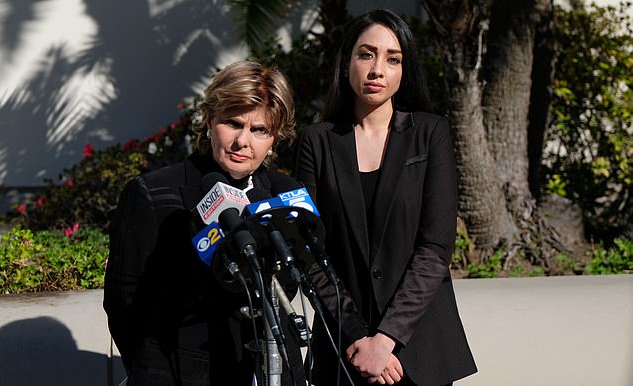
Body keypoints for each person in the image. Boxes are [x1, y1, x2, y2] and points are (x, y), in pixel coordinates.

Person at [295, 9, 477, 386]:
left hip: (420, 349)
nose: (378, 69)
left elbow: (435, 248)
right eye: (366, 54)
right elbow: (311, 251)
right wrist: (361, 337)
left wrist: (387, 338)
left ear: (404, 70)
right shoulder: (317, 141)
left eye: (393, 59)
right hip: (345, 349)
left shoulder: (430, 134)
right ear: (347, 62)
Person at [104, 60, 306, 385]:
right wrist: (155, 368)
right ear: (210, 120)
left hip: (273, 371)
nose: (243, 141)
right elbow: (123, 301)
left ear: (276, 136)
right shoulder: (153, 193)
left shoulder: (287, 193)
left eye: (259, 130)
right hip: (181, 373)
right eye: (232, 123)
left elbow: (290, 284)